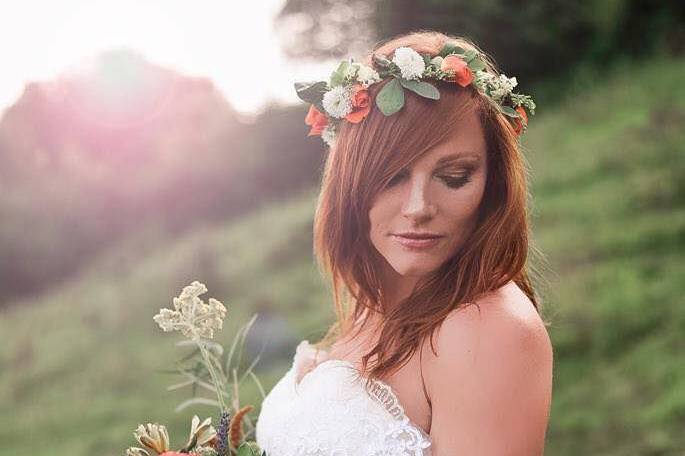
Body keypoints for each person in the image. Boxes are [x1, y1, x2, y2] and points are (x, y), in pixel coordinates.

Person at [255, 30, 553, 456]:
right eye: (391, 177)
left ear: (493, 183)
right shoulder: (378, 301)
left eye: (453, 177)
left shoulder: (487, 329)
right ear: (350, 183)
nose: (418, 207)